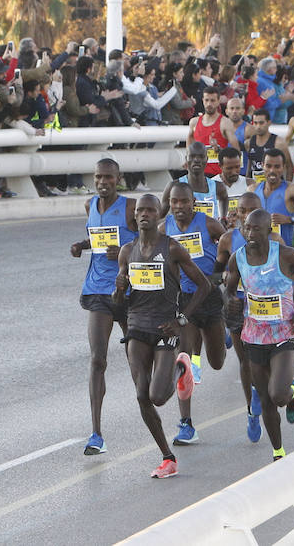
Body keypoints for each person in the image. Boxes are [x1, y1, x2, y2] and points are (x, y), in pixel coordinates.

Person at [112, 194, 208, 478]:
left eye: (150, 210)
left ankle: (181, 367)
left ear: (158, 215)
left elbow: (204, 286)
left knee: (157, 396)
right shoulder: (127, 252)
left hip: (166, 328)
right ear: (135, 216)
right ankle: (168, 458)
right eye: (140, 210)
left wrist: (181, 319)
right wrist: (118, 288)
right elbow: (118, 302)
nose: (144, 215)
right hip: (137, 328)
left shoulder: (172, 248)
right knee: (142, 396)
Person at [225, 209, 294, 460]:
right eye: (247, 228)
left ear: (269, 231)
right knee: (265, 397)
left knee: (278, 395)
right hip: (254, 334)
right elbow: (229, 290)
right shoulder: (238, 258)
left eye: (256, 228)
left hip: (285, 331)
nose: (250, 233)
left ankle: (293, 392)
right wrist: (231, 301)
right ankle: (278, 451)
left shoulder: (285, 255)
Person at [71, 159, 137, 455]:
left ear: (118, 178)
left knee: (137, 358)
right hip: (98, 290)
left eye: (108, 177)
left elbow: (151, 239)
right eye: (98, 177)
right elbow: (97, 238)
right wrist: (81, 246)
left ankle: (151, 401)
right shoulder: (89, 206)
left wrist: (126, 251)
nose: (102, 182)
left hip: (131, 289)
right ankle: (96, 433)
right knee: (98, 359)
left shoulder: (131, 207)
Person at [162, 182, 227, 444]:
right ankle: (186, 425)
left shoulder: (209, 224)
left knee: (217, 361)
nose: (179, 207)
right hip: (183, 301)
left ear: (193, 203)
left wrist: (221, 275)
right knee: (184, 360)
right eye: (174, 202)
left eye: (183, 202)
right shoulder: (163, 229)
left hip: (210, 297)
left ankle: (223, 339)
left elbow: (231, 248)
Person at [216, 192, 282, 443]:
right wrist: (225, 290)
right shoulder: (226, 240)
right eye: (242, 211)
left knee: (267, 359)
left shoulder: (274, 240)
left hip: (267, 306)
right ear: (238, 215)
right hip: (239, 304)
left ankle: (276, 390)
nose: (247, 216)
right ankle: (251, 411)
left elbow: (287, 275)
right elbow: (216, 274)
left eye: (253, 211)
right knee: (245, 359)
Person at [248, 148, 294, 246]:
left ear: (283, 167)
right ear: (262, 165)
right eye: (268, 166)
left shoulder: (291, 189)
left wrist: (290, 220)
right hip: (257, 250)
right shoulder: (252, 190)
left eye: (277, 166)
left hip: (283, 252)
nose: (272, 171)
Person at [161, 142, 228, 221]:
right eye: (192, 156)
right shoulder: (173, 187)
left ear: (206, 159)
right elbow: (160, 215)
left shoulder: (217, 187)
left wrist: (223, 218)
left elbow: (224, 198)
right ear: (186, 159)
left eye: (201, 156)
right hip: (184, 232)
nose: (196, 160)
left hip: (211, 232)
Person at [187, 87, 240, 177]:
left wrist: (220, 150)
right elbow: (190, 141)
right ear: (203, 100)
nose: (209, 104)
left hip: (218, 175)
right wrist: (188, 160)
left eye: (212, 100)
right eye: (206, 100)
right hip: (198, 174)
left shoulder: (225, 123)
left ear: (218, 101)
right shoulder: (194, 122)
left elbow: (236, 152)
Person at [246, 109, 291, 184]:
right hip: (256, 186)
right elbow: (250, 164)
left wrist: (287, 188)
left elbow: (289, 167)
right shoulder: (249, 142)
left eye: (261, 123)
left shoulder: (279, 142)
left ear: (269, 123)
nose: (258, 126)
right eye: (255, 123)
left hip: (275, 185)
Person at [213, 147, 249, 228]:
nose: (234, 172)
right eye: (229, 168)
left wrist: (240, 215)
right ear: (220, 166)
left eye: (237, 167)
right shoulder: (211, 185)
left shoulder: (249, 184)